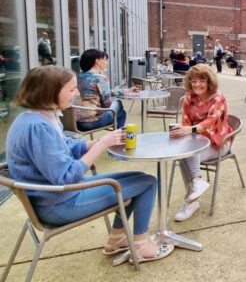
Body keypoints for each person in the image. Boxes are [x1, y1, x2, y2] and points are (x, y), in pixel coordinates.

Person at [5, 66, 173, 262]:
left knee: (137, 179)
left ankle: (117, 239)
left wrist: (96, 142)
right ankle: (141, 246)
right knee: (147, 183)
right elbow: (66, 176)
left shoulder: (34, 118)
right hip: (60, 205)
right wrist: (101, 145)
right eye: (71, 89)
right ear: (50, 91)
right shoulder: (39, 127)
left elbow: (64, 146)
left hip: (53, 198)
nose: (77, 93)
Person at [169, 64, 233, 221]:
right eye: (193, 81)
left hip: (219, 144)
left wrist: (189, 130)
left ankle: (191, 200)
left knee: (188, 154)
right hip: (197, 142)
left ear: (209, 81)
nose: (197, 84)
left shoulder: (218, 97)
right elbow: (186, 120)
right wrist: (181, 130)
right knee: (186, 151)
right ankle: (196, 184)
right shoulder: (189, 97)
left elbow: (211, 121)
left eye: (201, 80)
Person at [75, 49, 138, 131]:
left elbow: (96, 91)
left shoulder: (79, 77)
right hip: (93, 122)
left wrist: (124, 91)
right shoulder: (101, 79)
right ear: (97, 61)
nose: (106, 63)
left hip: (76, 123)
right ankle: (119, 137)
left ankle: (119, 136)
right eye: (105, 60)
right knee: (119, 107)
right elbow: (107, 104)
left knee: (120, 112)